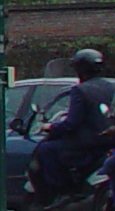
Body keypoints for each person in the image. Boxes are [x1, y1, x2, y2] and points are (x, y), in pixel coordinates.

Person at [29, 49, 115, 198]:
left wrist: (51, 127)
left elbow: (71, 123)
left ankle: (59, 190)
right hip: (107, 142)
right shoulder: (110, 87)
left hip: (86, 144)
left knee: (46, 150)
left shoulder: (80, 90)